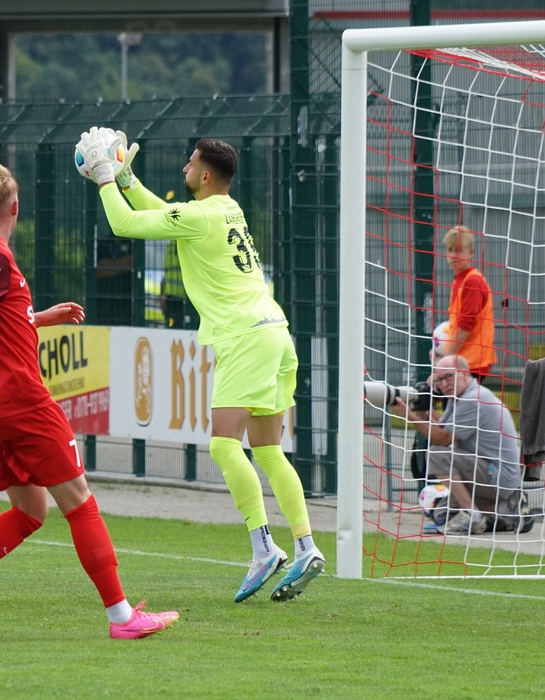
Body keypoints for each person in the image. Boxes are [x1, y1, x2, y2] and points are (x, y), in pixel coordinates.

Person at [0, 162, 178, 639]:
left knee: (30, 510)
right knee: (80, 502)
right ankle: (122, 617)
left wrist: (39, 317)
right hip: (19, 399)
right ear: (16, 208)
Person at [75, 127, 324, 603]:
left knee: (223, 444)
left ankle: (263, 547)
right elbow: (161, 212)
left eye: (190, 163)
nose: (184, 168)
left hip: (245, 338)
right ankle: (306, 545)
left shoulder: (202, 215)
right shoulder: (225, 208)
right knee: (269, 451)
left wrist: (106, 178)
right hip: (275, 331)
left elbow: (126, 227)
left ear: (205, 174)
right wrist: (127, 180)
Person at [391, 354, 523, 535]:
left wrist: (409, 416)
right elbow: (439, 429)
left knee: (436, 454)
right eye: (439, 380)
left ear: (464, 374)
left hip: (498, 476)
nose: (444, 384)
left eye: (449, 377)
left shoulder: (473, 399)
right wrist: (423, 409)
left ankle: (473, 514)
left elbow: (443, 440)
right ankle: (503, 513)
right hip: (486, 473)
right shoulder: (458, 398)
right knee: (442, 515)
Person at [436, 224, 496, 381]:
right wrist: (439, 349)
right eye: (450, 250)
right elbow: (456, 325)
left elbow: (465, 325)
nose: (453, 255)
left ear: (470, 253)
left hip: (471, 363)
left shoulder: (473, 281)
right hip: (462, 361)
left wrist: (445, 360)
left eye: (458, 250)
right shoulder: (459, 279)